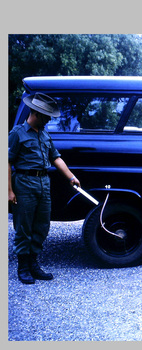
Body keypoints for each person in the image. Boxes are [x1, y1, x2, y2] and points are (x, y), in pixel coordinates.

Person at [9, 92, 81, 284]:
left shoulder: (44, 134)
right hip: (24, 183)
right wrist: (9, 190)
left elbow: (55, 158)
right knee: (24, 226)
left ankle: (34, 264)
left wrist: (71, 177)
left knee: (42, 225)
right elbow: (6, 162)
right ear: (37, 113)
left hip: (43, 183)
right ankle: (23, 267)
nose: (49, 119)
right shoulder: (17, 133)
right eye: (47, 115)